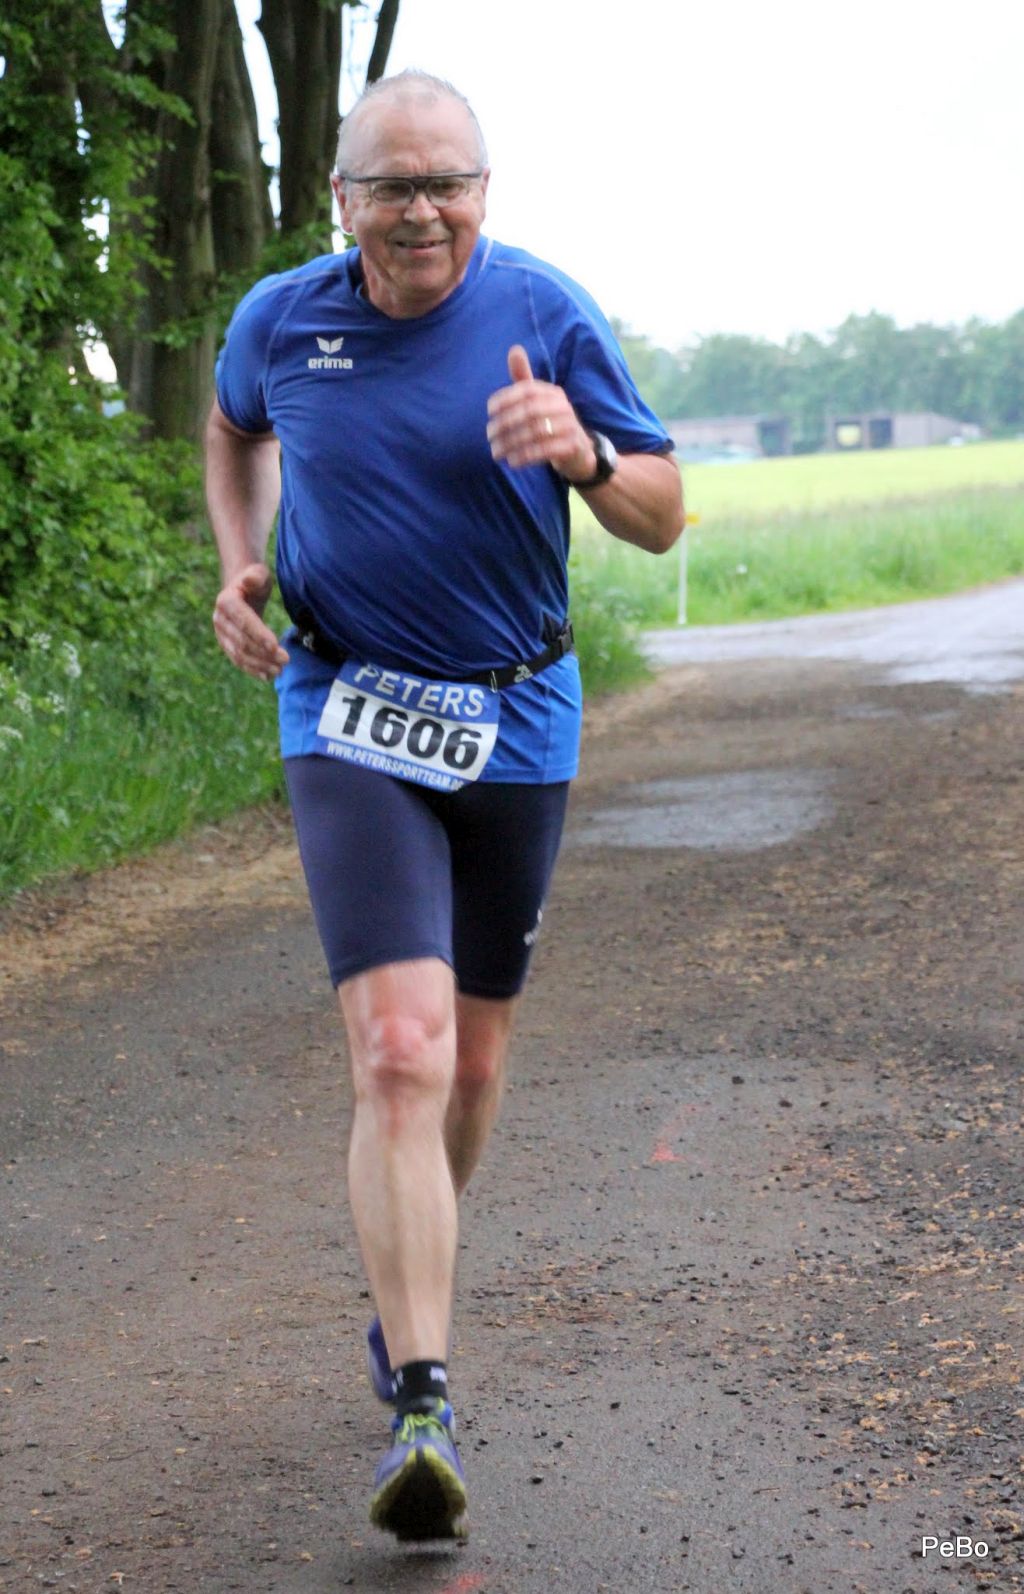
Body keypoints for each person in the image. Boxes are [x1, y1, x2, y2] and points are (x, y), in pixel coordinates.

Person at [206, 69, 683, 1544]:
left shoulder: (546, 311)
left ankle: (403, 1284)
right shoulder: (282, 320)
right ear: (341, 199)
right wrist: (238, 561)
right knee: (399, 1051)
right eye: (391, 185)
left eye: (447, 184)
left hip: (516, 714)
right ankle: (423, 1397)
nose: (422, 211)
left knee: (470, 1068)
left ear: (485, 192)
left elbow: (663, 511)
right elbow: (233, 429)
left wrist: (584, 455)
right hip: (345, 705)